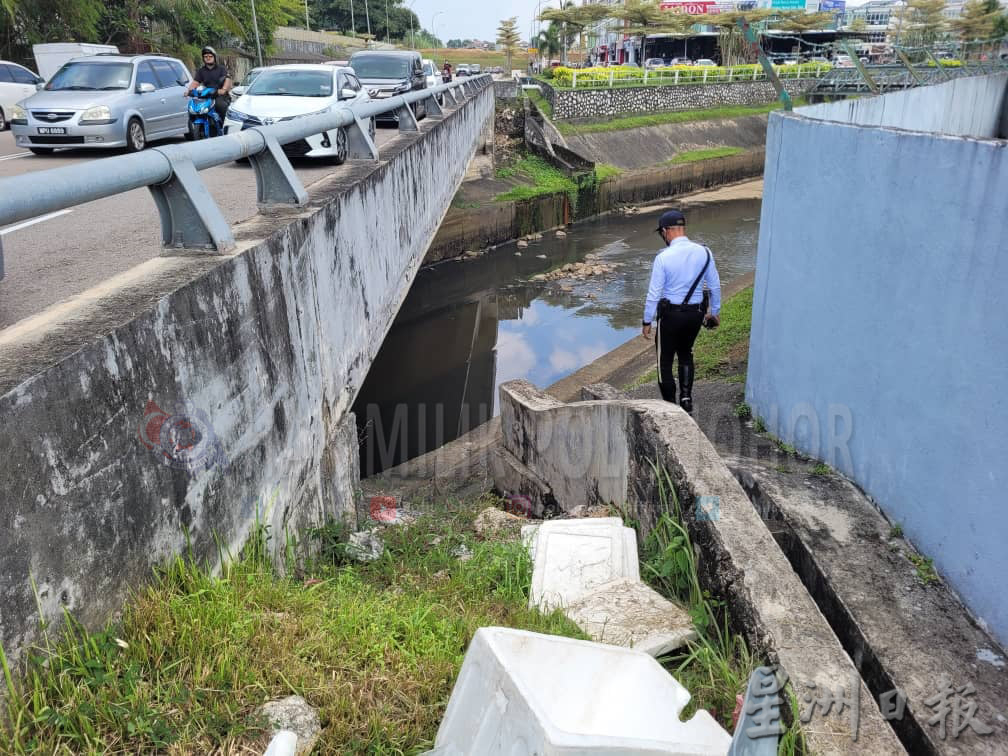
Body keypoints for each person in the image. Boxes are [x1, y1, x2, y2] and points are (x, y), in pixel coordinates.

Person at [641, 209, 721, 413]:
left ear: (666, 231)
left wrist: (646, 321)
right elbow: (714, 286)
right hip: (695, 315)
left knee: (664, 361)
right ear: (682, 228)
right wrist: (715, 311)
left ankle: (670, 406)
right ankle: (686, 398)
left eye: (662, 233)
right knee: (686, 354)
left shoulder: (663, 257)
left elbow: (653, 293)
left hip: (670, 316)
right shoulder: (705, 252)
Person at [187, 46, 232, 126]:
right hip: (207, 95)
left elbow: (227, 80)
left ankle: (225, 126)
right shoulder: (201, 71)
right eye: (205, 57)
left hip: (219, 95)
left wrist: (223, 89)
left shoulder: (222, 69)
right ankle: (194, 129)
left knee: (220, 105)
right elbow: (195, 82)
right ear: (203, 58)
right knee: (194, 107)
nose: (208, 58)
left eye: (210, 56)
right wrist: (189, 91)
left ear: (214, 57)